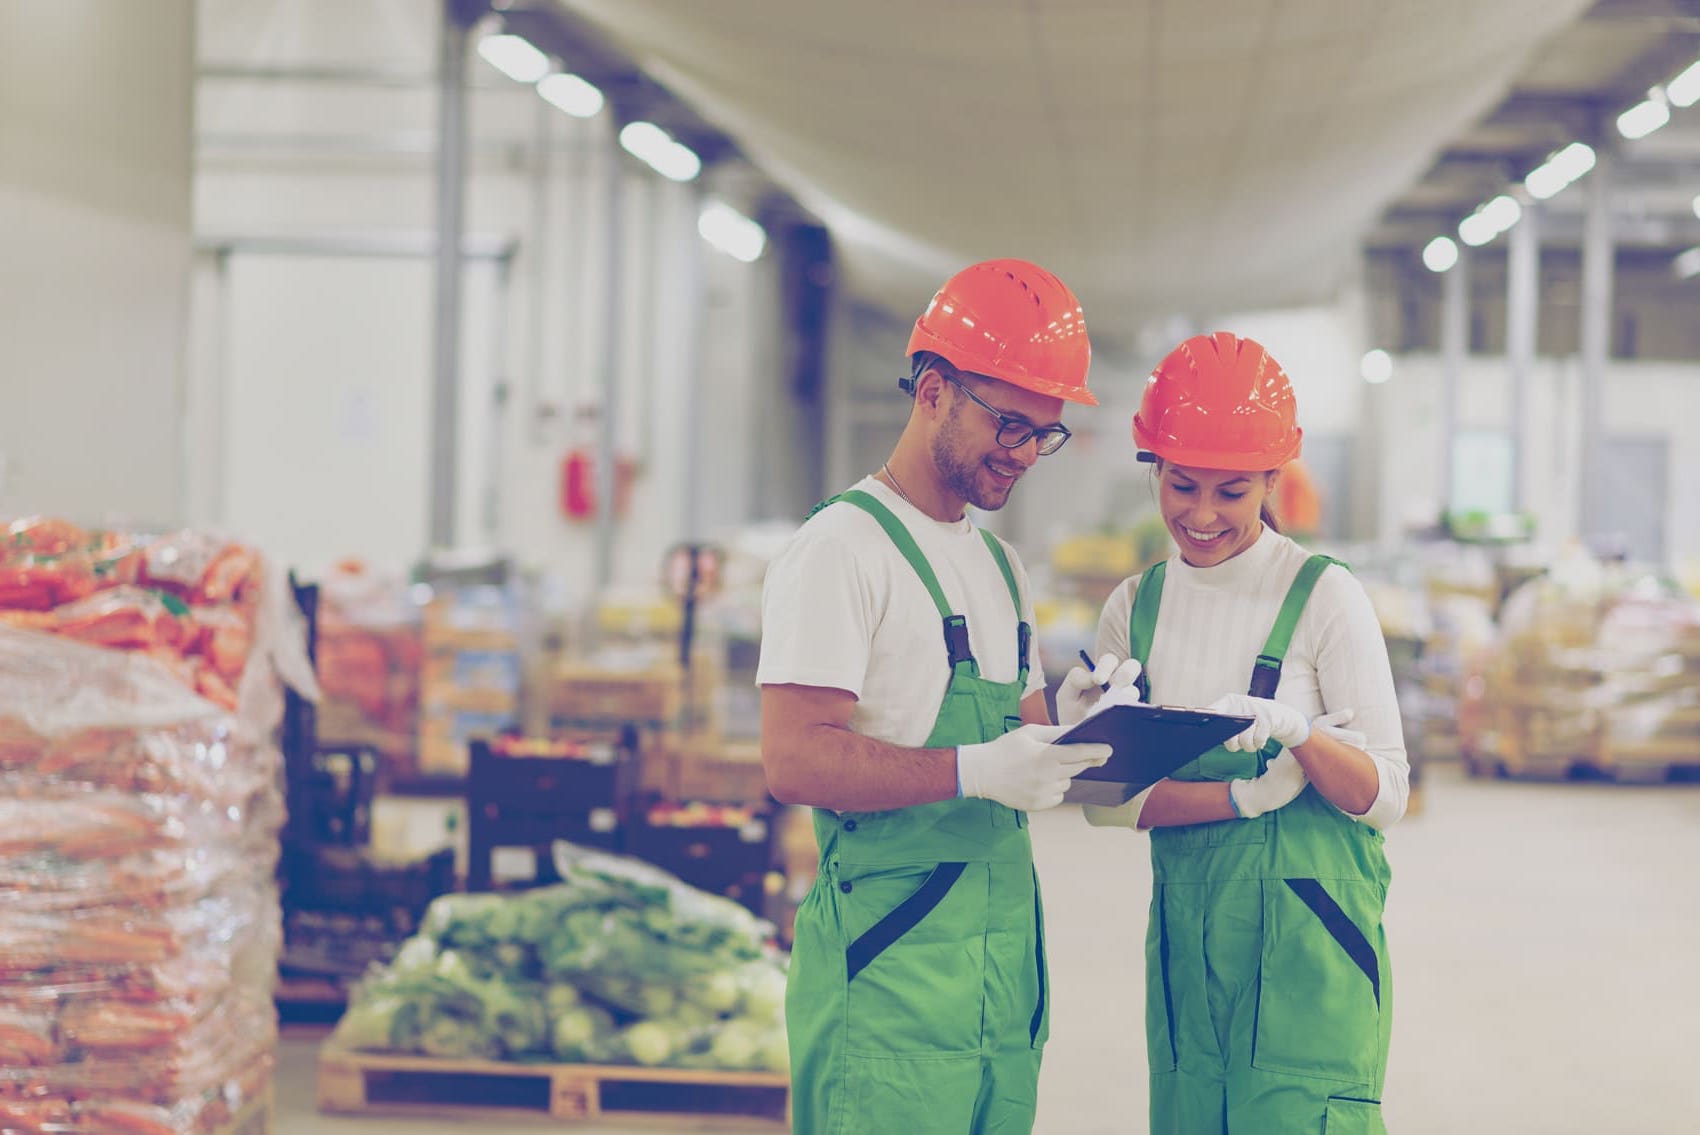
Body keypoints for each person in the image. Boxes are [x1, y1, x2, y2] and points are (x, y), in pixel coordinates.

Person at [758, 258, 1111, 1132]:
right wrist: (972, 770)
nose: (1025, 452)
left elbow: (1025, 746)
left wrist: (1085, 722)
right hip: (890, 985)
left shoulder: (998, 565)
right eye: (1010, 424)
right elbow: (793, 754)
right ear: (934, 390)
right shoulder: (842, 548)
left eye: (1045, 432)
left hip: (1001, 980)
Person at [1067, 331, 1409, 1134]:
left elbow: (1387, 793)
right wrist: (1243, 797)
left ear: (1271, 480)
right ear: (1155, 468)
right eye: (1183, 486)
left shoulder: (1324, 596)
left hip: (1309, 938)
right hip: (1188, 939)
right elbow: (1106, 804)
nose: (1203, 515)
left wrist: (1304, 740)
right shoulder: (1135, 606)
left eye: (1233, 491)